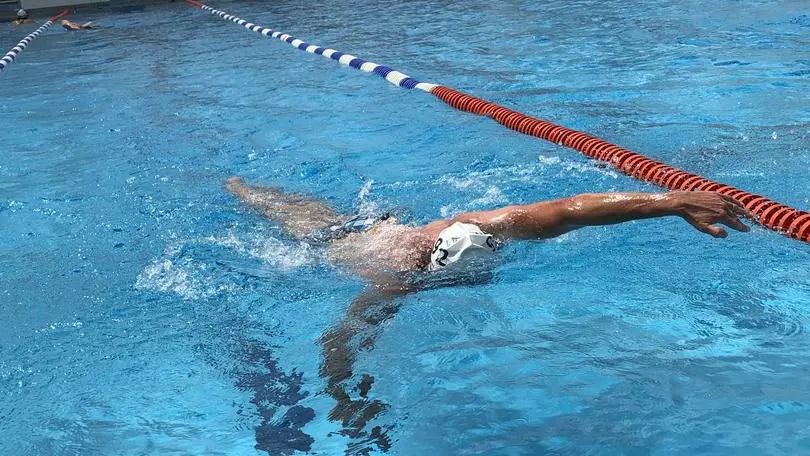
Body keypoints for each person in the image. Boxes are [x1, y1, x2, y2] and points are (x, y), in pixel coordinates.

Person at [225, 176, 751, 452]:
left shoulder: (481, 224)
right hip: (342, 247)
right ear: (440, 271)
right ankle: (243, 190)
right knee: (304, 223)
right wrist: (347, 400)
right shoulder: (395, 282)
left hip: (388, 230)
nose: (493, 267)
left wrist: (668, 201)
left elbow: (568, 211)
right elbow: (338, 344)